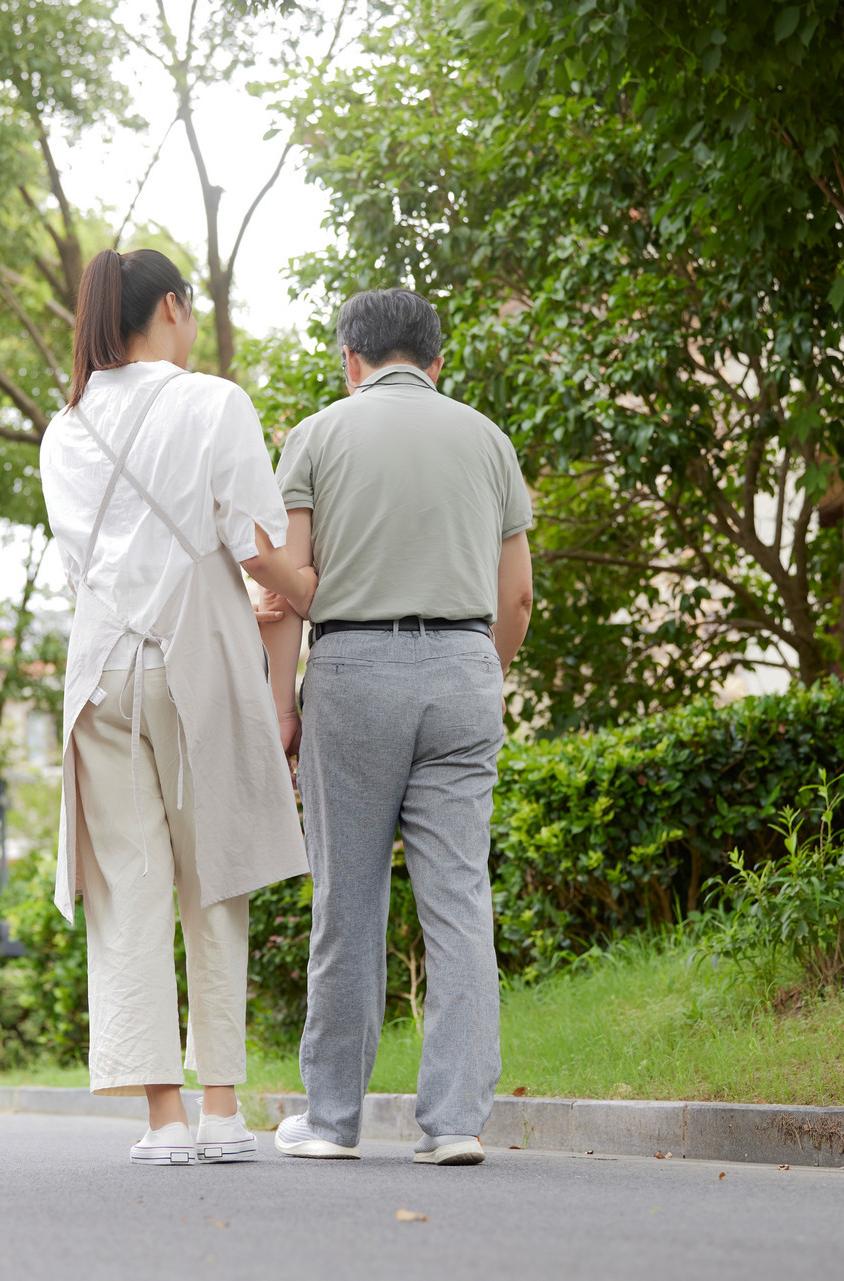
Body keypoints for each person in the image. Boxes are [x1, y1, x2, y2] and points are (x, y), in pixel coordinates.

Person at [40, 248, 314, 1166]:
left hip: (99, 670)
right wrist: (297, 590)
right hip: (194, 653)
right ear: (170, 307)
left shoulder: (63, 428)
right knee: (216, 874)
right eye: (189, 312)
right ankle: (224, 1110)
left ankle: (161, 1119)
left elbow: (86, 568)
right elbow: (257, 541)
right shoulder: (213, 402)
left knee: (131, 886)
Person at [258, 288, 535, 1167]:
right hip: (464, 668)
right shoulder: (489, 439)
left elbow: (288, 587)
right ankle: (455, 1121)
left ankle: (333, 1120)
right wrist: (480, 673)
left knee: (347, 903)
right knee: (460, 902)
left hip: (354, 671)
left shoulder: (317, 435)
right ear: (437, 362)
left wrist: (283, 705)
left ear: (351, 360)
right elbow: (518, 597)